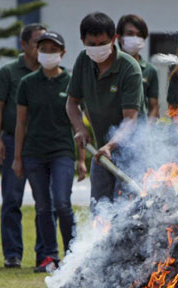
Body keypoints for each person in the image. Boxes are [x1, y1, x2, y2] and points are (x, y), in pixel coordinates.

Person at [12, 31, 86, 272]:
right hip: (34, 153)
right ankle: (49, 257)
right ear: (36, 51)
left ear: (62, 53)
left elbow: (79, 124)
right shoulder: (28, 83)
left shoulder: (71, 82)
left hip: (62, 152)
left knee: (63, 203)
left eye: (53, 49)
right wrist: (17, 158)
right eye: (43, 49)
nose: (48, 53)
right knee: (43, 206)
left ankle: (72, 254)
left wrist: (82, 159)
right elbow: (21, 123)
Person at [66, 12, 145, 210]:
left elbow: (130, 120)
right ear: (83, 40)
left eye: (102, 43)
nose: (96, 49)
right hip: (102, 153)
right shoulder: (83, 61)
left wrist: (111, 145)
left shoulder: (129, 68)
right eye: (91, 44)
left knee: (125, 214)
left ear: (114, 39)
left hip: (131, 153)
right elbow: (72, 103)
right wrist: (80, 128)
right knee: (99, 210)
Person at [0, 23, 47, 268]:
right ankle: (12, 254)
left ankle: (44, 253)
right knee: (12, 199)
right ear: (24, 45)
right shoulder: (8, 72)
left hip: (42, 144)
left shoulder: (50, 72)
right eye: (37, 43)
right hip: (13, 141)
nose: (42, 49)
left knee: (45, 202)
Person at [117, 14, 159, 118]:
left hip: (138, 130)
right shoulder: (108, 67)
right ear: (119, 37)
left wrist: (147, 129)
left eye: (139, 35)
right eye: (130, 34)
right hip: (113, 130)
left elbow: (153, 106)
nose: (135, 38)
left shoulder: (150, 70)